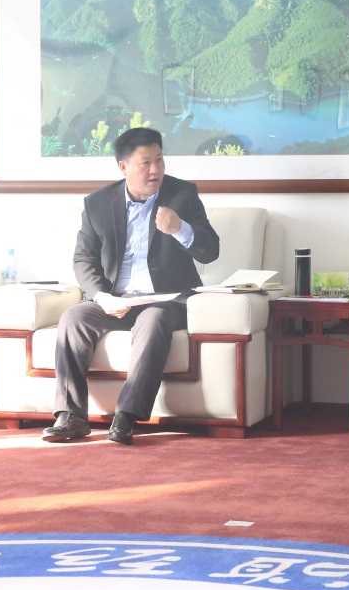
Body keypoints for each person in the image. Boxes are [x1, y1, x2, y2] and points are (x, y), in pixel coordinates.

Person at [43, 127, 219, 445]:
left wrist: (180, 228)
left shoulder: (183, 194)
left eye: (159, 160)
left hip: (165, 301)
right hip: (116, 299)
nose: (155, 170)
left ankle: (126, 415)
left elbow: (210, 251)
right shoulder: (97, 203)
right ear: (123, 167)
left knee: (153, 320)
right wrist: (102, 297)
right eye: (145, 163)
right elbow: (83, 259)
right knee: (73, 317)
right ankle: (70, 416)